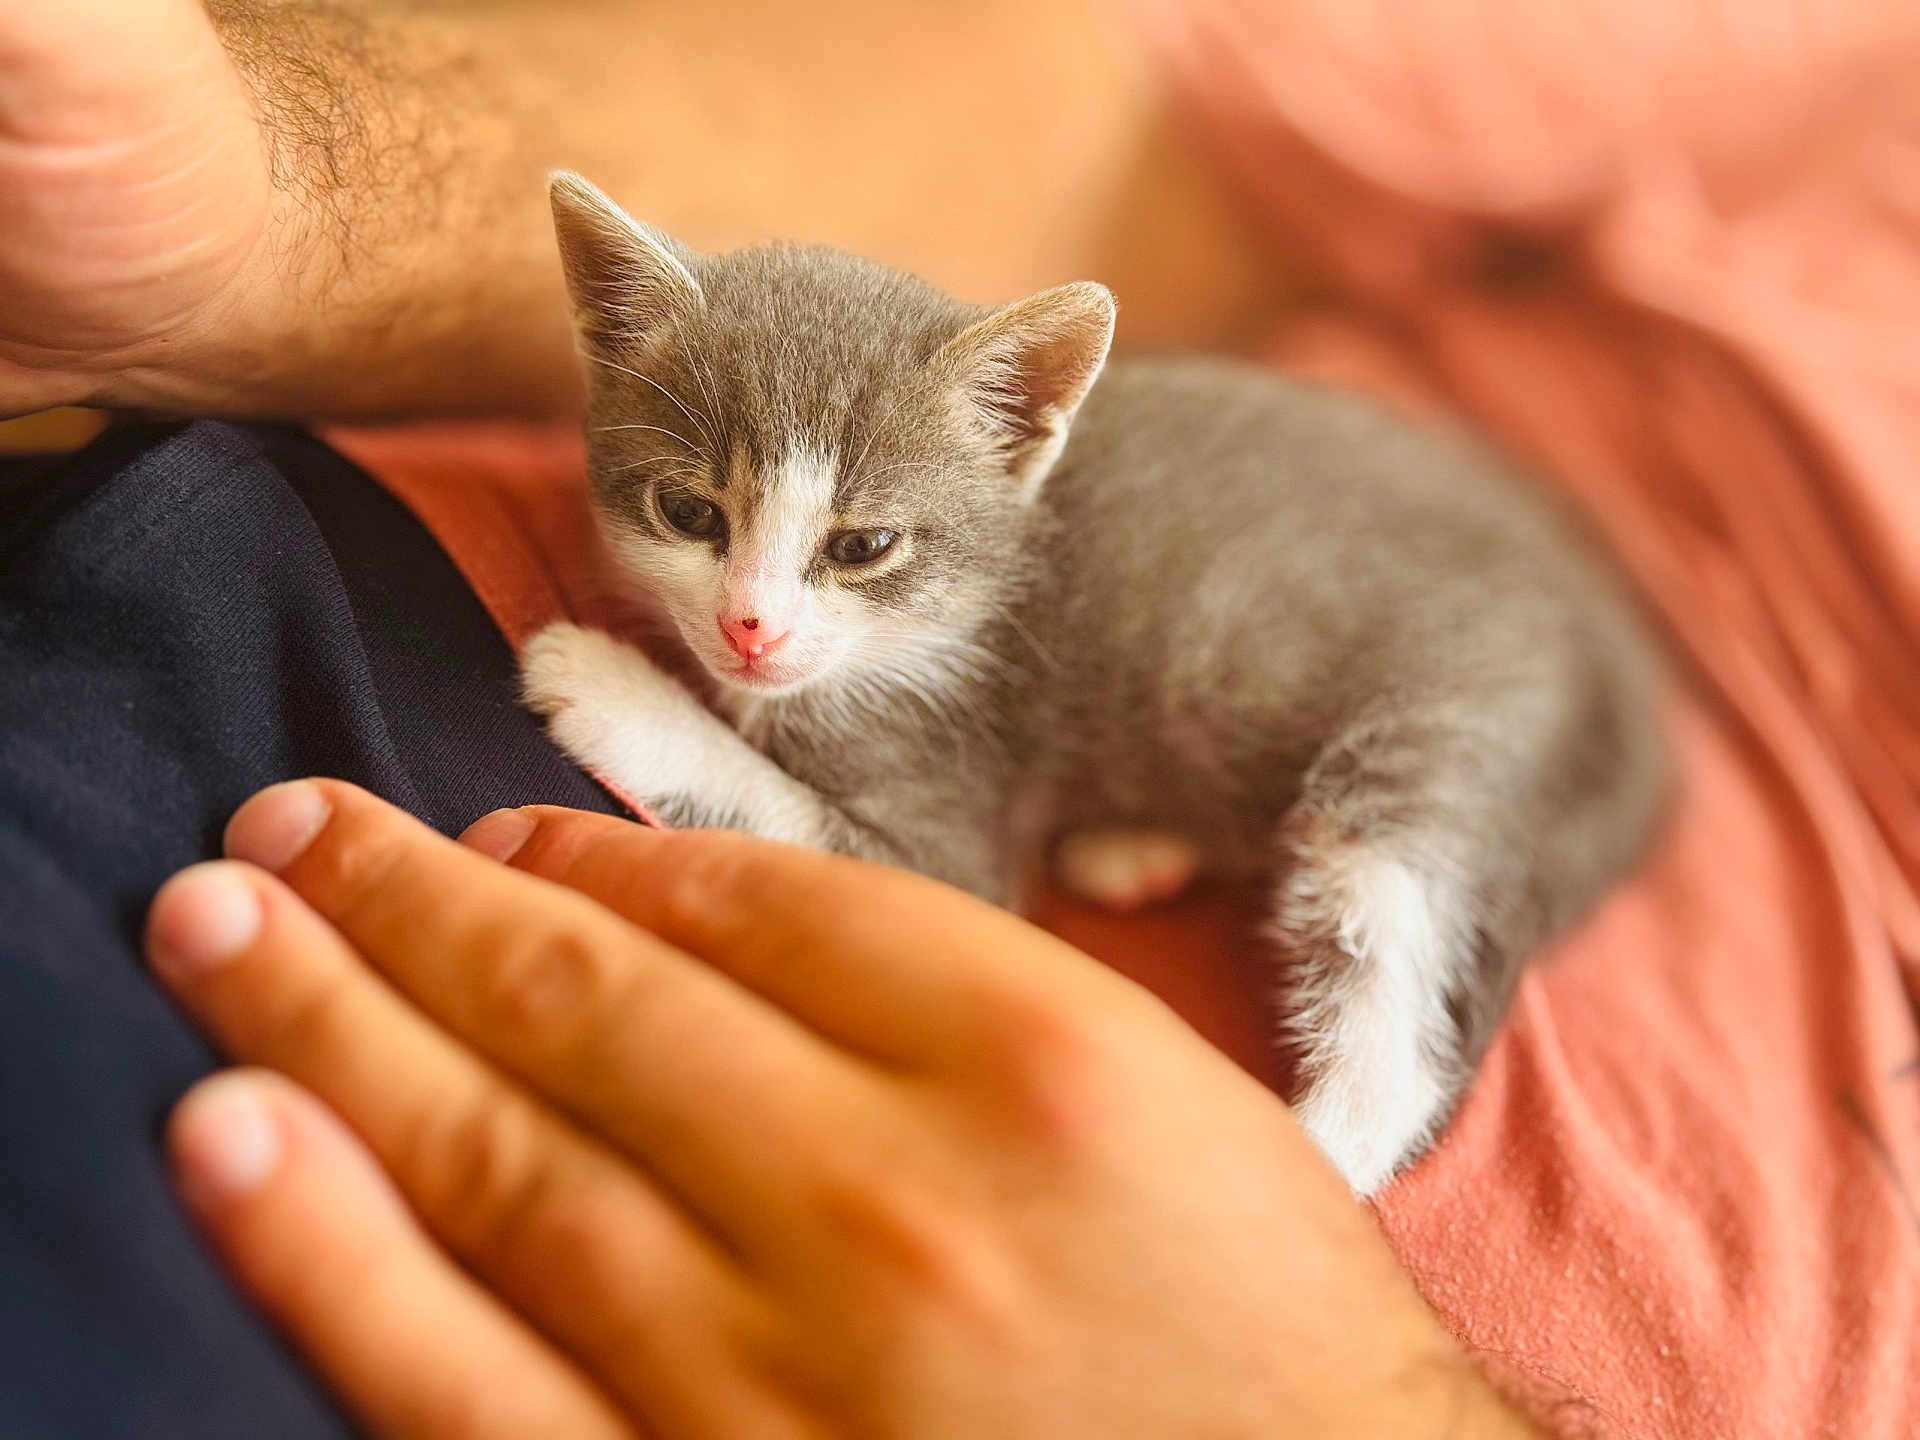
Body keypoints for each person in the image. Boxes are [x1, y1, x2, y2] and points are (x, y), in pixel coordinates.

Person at [1, 1, 1536, 1435]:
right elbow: (1114, 109)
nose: (752, 618)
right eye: (693, 517)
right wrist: (251, 194)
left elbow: (947, 846)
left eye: (847, 553)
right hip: (317, 598)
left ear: (1025, 438)